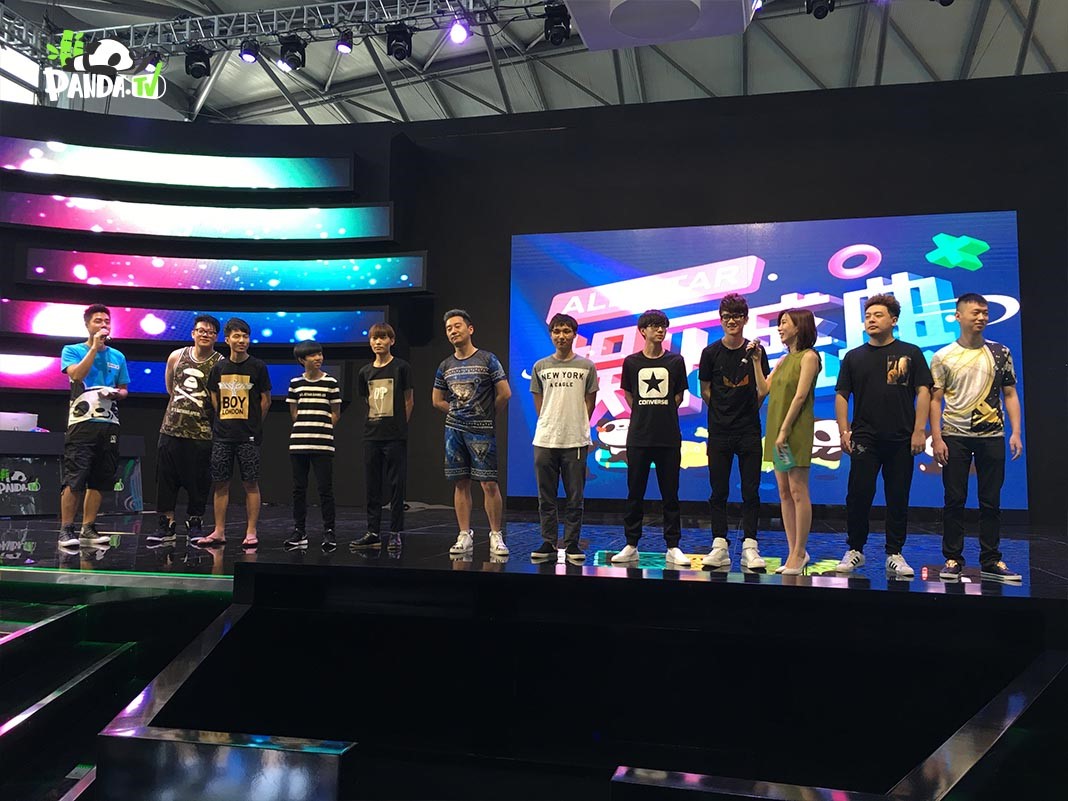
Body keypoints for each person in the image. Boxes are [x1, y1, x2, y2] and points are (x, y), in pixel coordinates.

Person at [834, 293, 932, 578]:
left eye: (878, 315)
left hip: (901, 437)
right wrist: (844, 431)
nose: (871, 320)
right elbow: (842, 394)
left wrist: (919, 430)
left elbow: (923, 391)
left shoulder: (910, 353)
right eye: (868, 316)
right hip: (864, 438)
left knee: (898, 496)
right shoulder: (854, 357)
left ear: (894, 320)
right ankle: (855, 549)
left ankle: (894, 553)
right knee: (858, 495)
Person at [931, 293, 1023, 582]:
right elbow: (935, 399)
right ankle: (952, 558)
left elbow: (1010, 393)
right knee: (954, 499)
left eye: (985, 312)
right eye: (975, 312)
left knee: (991, 501)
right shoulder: (943, 356)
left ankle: (991, 560)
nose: (982, 317)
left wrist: (1016, 432)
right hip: (954, 435)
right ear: (958, 316)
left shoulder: (1000, 352)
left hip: (992, 435)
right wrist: (937, 437)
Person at [698, 293, 771, 570]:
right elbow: (705, 390)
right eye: (727, 317)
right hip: (719, 432)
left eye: (737, 316)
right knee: (718, 491)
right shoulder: (710, 353)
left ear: (745, 319)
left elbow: (762, 389)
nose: (732, 321)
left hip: (749, 432)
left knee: (751, 491)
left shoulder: (756, 352)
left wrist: (747, 410)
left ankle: (750, 546)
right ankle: (719, 545)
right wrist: (723, 411)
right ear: (720, 320)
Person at [611, 309, 690, 567]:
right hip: (639, 438)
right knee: (635, 493)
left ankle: (673, 546)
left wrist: (661, 411)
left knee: (671, 495)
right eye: (654, 325)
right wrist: (645, 413)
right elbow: (629, 395)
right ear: (642, 331)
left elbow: (678, 396)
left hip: (668, 437)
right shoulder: (631, 362)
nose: (660, 330)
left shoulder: (676, 361)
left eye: (663, 326)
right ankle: (631, 544)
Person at [432, 309, 512, 558]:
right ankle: (464, 534)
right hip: (453, 431)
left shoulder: (488, 359)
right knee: (460, 482)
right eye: (448, 328)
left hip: (482, 431)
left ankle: (496, 534)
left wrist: (487, 414)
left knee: (488, 483)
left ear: (470, 329)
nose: (453, 331)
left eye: (457, 326)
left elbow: (505, 393)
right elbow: (436, 400)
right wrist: (457, 412)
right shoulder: (445, 365)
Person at [193, 318, 271, 549]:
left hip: (248, 436)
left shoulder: (258, 366)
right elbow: (213, 396)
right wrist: (223, 419)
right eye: (237, 336)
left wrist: (254, 424)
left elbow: (265, 400)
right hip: (223, 436)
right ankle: (219, 531)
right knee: (220, 484)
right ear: (227, 340)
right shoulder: (219, 368)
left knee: (251, 483)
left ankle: (251, 531)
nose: (242, 340)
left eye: (245, 336)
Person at [752, 309, 820, 575]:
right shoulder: (782, 360)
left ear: (799, 326)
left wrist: (784, 430)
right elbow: (763, 389)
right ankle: (793, 551)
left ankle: (800, 551)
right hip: (777, 430)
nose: (779, 328)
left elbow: (801, 396)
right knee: (784, 492)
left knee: (798, 490)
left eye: (784, 323)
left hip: (795, 430)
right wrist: (757, 362)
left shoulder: (809, 357)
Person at [58, 304, 130, 548]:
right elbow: (77, 375)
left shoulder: (118, 356)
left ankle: (88, 529)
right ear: (87, 324)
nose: (103, 325)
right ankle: (66, 530)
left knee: (100, 478)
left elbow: (124, 389)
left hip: (109, 424)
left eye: (107, 321)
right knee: (75, 477)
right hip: (82, 423)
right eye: (98, 321)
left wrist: (116, 394)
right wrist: (94, 349)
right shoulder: (72, 350)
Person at [529, 313, 598, 564]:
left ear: (574, 335)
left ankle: (572, 544)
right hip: (545, 439)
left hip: (575, 440)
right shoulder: (540, 366)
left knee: (574, 497)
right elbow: (539, 403)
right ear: (551, 335)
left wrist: (575, 424)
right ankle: (548, 542)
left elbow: (590, 402)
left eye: (566, 331)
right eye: (557, 331)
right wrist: (551, 423)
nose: (561, 336)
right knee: (546, 496)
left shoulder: (587, 366)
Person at [148, 315, 221, 544]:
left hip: (202, 432)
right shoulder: (176, 356)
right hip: (170, 430)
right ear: (193, 333)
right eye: (201, 330)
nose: (205, 334)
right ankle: (167, 525)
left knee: (199, 482)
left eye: (210, 332)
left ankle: (195, 523)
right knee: (166, 480)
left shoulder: (220, 363)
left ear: (216, 337)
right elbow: (170, 388)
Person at [351, 323, 413, 551]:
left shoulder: (401, 367)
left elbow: (409, 400)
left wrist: (400, 427)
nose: (378, 342)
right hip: (372, 435)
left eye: (383, 338)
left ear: (391, 341)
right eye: (374, 338)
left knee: (396, 485)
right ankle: (373, 532)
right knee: (372, 485)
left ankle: (395, 532)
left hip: (395, 435)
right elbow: (365, 400)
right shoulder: (364, 372)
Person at [283, 341, 341, 550]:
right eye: (313, 355)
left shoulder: (331, 382)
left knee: (325, 489)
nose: (318, 358)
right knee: (299, 489)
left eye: (320, 354)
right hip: (299, 443)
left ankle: (329, 531)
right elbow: (294, 413)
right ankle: (299, 530)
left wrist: (322, 428)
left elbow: (335, 413)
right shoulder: (295, 383)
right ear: (302, 360)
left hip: (323, 444)